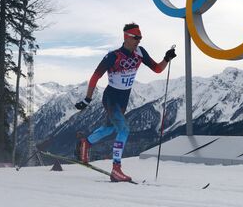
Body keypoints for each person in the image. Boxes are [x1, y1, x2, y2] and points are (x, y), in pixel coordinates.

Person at [75, 23, 176, 182]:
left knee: (109, 129)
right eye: (136, 37)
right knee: (124, 129)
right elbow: (95, 76)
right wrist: (87, 99)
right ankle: (116, 169)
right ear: (126, 37)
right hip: (111, 98)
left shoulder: (140, 53)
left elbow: (157, 69)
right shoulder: (113, 56)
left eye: (140, 37)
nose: (139, 40)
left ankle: (85, 143)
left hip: (123, 99)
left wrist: (166, 58)